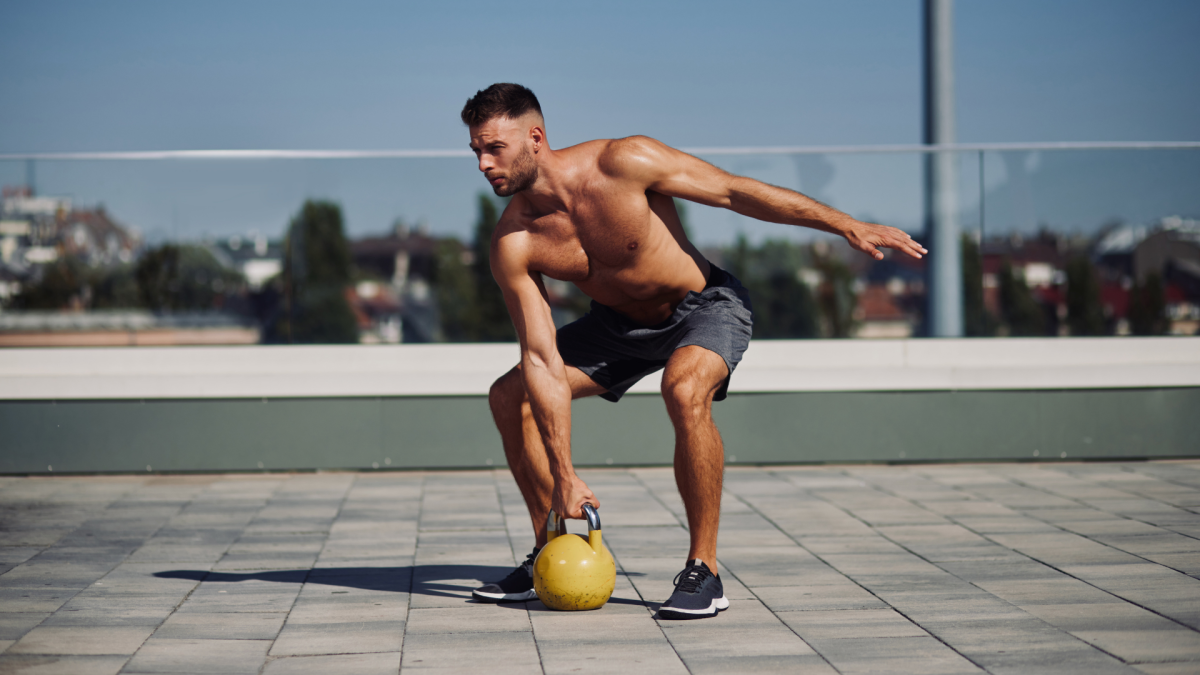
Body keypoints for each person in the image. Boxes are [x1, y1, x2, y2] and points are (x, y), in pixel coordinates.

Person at [466, 83, 926, 619]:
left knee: (683, 389)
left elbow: (733, 191)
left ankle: (703, 570)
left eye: (493, 147)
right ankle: (551, 548)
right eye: (476, 149)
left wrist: (843, 222)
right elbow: (542, 359)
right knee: (508, 396)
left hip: (703, 305)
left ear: (536, 138)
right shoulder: (514, 242)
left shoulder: (624, 162)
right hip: (616, 328)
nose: (482, 163)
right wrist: (566, 477)